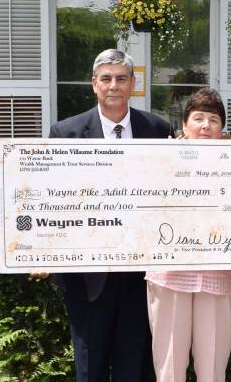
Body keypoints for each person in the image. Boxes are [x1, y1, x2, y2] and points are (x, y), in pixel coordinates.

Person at [49, 49, 173, 382]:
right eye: (106, 79)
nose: (113, 86)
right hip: (88, 278)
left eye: (121, 78)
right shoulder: (65, 134)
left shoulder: (159, 130)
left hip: (141, 274)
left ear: (133, 84)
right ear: (94, 84)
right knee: (89, 365)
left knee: (134, 365)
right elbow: (51, 198)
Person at [145, 88, 231, 382]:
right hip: (170, 273)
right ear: (184, 125)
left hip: (216, 275)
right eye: (198, 118)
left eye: (213, 120)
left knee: (212, 366)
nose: (206, 125)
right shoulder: (161, 162)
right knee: (169, 364)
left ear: (222, 129)